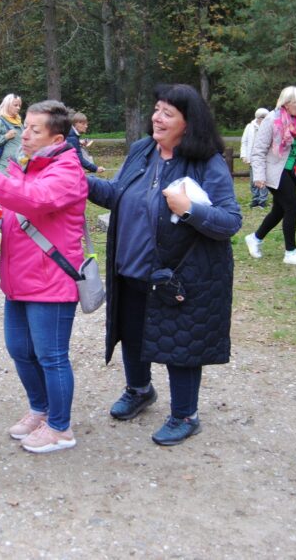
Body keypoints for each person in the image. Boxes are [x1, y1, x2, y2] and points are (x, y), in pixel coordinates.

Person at [87, 84, 242, 446]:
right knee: (131, 329)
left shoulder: (207, 162)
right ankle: (139, 390)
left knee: (181, 343)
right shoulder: (142, 151)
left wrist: (188, 209)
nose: (157, 118)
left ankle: (185, 414)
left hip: (181, 274)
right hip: (132, 265)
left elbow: (230, 221)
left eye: (168, 113)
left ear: (188, 123)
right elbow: (115, 194)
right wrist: (81, 181)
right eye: (156, 109)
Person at [0, 100, 87, 454]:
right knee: (21, 351)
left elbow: (35, 200)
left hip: (51, 281)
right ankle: (41, 411)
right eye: (24, 126)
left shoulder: (66, 170)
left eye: (34, 129)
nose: (24, 134)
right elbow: (14, 208)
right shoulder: (26, 166)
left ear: (56, 138)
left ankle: (60, 427)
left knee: (51, 355)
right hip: (19, 280)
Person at [244, 86, 296, 265]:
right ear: (286, 103)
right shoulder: (272, 119)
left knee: (280, 209)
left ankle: (255, 238)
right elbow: (259, 150)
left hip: (293, 170)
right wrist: (259, 175)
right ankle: (291, 251)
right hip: (275, 171)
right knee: (292, 206)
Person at [239, 107, 270, 208]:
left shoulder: (269, 127)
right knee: (253, 180)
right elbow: (245, 141)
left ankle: (263, 200)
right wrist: (244, 155)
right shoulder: (249, 127)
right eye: (263, 117)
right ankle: (255, 198)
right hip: (253, 158)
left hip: (265, 158)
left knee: (263, 179)